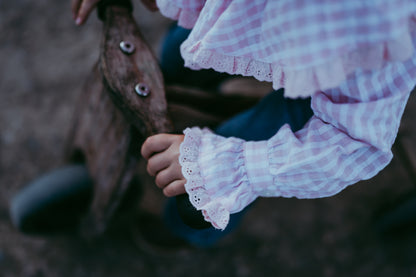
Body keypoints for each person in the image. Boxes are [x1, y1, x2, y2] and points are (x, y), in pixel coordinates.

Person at [72, 0, 416, 246]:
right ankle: (194, 97)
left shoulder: (375, 26)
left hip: (346, 60)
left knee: (236, 150)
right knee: (177, 51)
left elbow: (353, 144)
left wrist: (232, 165)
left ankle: (188, 228)